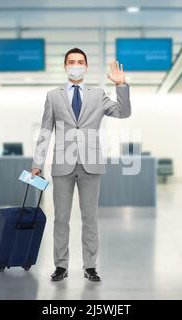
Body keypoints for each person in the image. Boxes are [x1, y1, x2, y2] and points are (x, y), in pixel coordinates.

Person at [31, 48, 131, 282]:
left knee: (90, 218)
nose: (76, 65)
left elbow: (123, 112)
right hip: (62, 165)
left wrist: (121, 86)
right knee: (61, 218)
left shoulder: (98, 94)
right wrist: (37, 162)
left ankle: (90, 266)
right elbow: (46, 130)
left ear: (86, 66)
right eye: (71, 62)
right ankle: (61, 266)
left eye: (80, 62)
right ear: (65, 66)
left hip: (91, 164)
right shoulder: (53, 96)